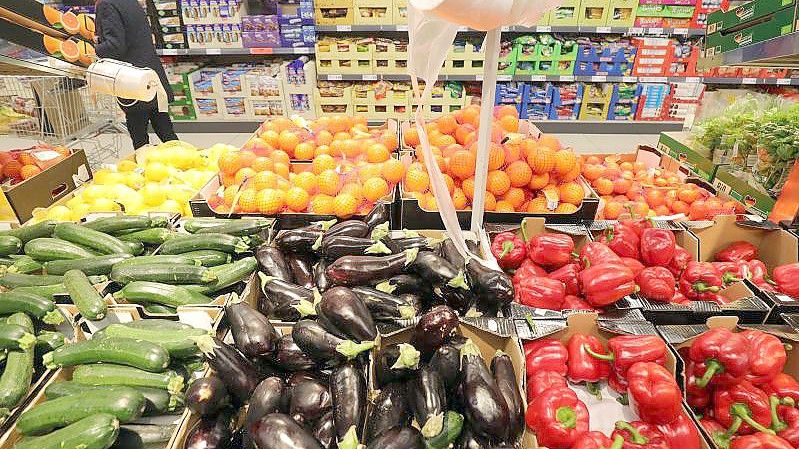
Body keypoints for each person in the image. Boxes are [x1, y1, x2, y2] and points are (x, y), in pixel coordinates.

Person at [94, 0, 179, 149]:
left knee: (139, 136)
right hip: (151, 76)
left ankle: (145, 168)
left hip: (133, 82)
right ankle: (185, 163)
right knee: (166, 132)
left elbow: (115, 46)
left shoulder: (106, 5)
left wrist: (93, 47)